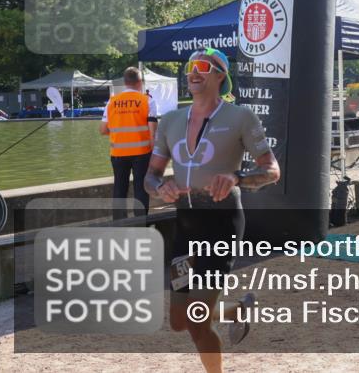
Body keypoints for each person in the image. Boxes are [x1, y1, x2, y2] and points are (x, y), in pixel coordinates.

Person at [145, 47, 280, 369]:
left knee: (196, 320)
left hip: (221, 224)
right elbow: (150, 176)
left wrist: (236, 177)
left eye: (204, 66)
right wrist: (161, 187)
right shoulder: (170, 120)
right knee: (179, 319)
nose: (194, 71)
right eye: (191, 66)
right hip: (185, 225)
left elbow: (272, 171)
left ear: (220, 75)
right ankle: (236, 309)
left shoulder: (240, 117)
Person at [99, 67, 158, 218]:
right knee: (141, 189)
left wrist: (120, 131)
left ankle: (119, 224)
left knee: (119, 188)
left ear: (125, 82)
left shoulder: (112, 101)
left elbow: (103, 130)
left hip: (118, 153)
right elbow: (153, 132)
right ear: (140, 82)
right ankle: (141, 223)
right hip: (142, 153)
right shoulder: (147, 100)